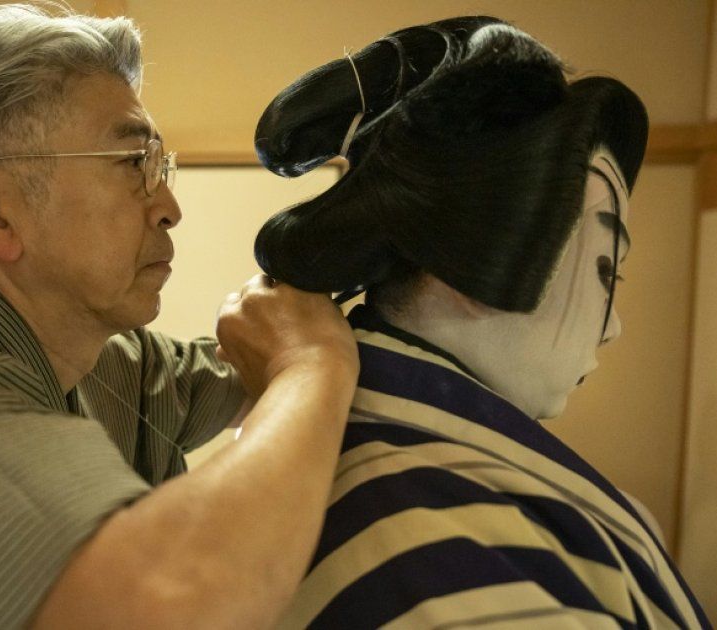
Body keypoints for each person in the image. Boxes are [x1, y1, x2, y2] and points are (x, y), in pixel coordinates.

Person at [0, 5, 360, 629]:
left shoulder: (106, 360)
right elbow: (174, 601)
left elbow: (250, 369)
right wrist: (313, 364)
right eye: (132, 163)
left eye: (159, 165)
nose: (169, 206)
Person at [253, 16, 711, 628]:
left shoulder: (393, 462)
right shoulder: (426, 547)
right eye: (606, 271)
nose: (611, 328)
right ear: (471, 266)